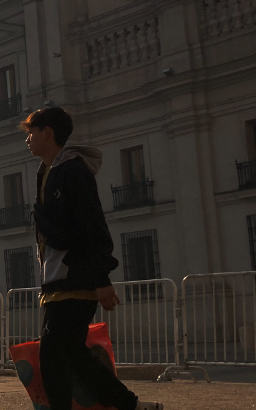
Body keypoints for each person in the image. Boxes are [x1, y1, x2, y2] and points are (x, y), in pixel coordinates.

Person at [22, 107, 163, 410]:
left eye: (31, 131)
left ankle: (131, 405)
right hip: (57, 280)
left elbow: (91, 224)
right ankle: (132, 406)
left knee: (54, 355)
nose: (28, 139)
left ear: (48, 132)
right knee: (69, 354)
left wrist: (101, 279)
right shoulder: (47, 172)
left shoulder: (72, 170)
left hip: (76, 279)